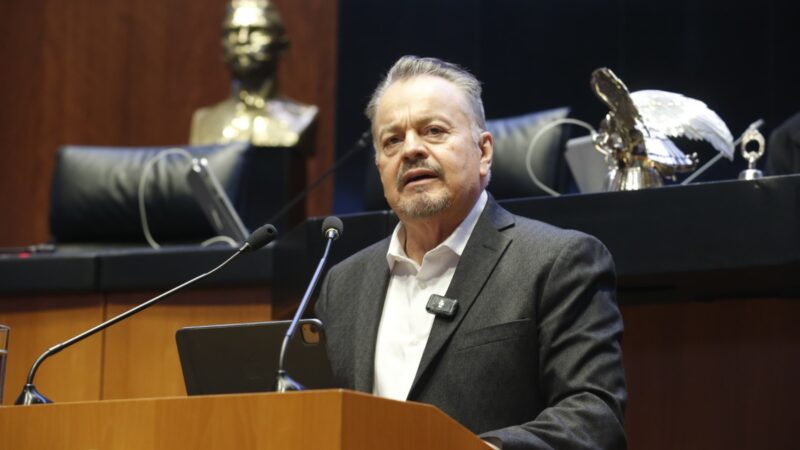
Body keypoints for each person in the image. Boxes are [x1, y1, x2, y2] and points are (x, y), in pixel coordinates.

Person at [315, 56, 627, 450]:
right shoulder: (342, 283)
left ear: (483, 152)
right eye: (392, 140)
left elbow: (593, 418)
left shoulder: (558, 262)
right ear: (379, 166)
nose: (411, 149)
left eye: (433, 131)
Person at [189, 0, 317, 147]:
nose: (242, 40)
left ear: (282, 45)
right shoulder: (204, 121)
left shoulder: (301, 119)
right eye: (233, 31)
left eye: (256, 31)